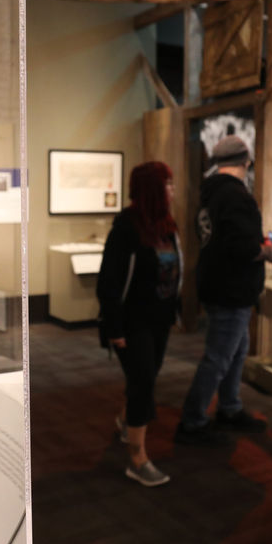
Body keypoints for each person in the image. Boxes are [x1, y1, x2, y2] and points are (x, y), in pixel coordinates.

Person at [175, 135, 272, 445]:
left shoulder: (209, 194)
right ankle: (193, 419)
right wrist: (269, 251)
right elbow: (243, 247)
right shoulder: (236, 197)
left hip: (215, 282)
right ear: (245, 162)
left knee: (235, 351)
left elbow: (217, 240)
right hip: (232, 288)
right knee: (220, 356)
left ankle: (229, 407)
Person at [97, 161, 181, 487]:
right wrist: (115, 328)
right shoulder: (126, 228)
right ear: (152, 189)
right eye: (167, 184)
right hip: (132, 322)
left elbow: (175, 271)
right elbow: (109, 282)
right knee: (143, 382)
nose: (172, 190)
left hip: (159, 320)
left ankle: (124, 419)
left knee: (145, 377)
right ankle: (137, 458)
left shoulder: (166, 225)